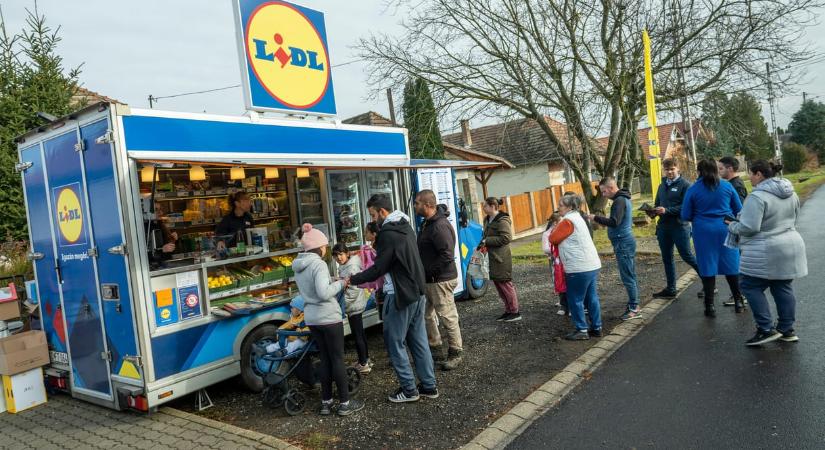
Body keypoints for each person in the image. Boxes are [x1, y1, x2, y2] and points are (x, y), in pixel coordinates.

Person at [349, 194, 438, 403]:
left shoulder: (388, 234)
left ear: (382, 212)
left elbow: (379, 268)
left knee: (394, 342)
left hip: (398, 294)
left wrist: (351, 279)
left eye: (373, 214)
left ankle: (409, 390)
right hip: (417, 291)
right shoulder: (406, 226)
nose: (373, 220)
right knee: (419, 341)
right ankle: (429, 385)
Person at [726, 160, 807, 346]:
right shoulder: (791, 192)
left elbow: (750, 227)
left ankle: (765, 328)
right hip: (791, 244)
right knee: (782, 286)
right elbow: (795, 217)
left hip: (766, 248)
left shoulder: (757, 197)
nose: (750, 178)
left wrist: (733, 225)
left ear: (759, 174)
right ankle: (787, 330)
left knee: (749, 286)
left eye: (751, 174)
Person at [292, 224, 365, 416]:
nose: (326, 250)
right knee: (337, 359)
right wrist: (341, 283)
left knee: (324, 359)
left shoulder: (298, 265)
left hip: (312, 317)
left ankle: (326, 402)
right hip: (328, 317)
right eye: (324, 246)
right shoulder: (318, 264)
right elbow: (324, 293)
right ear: (319, 247)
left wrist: (331, 282)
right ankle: (345, 403)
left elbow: (314, 289)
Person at [681, 159, 745, 317]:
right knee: (731, 265)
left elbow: (685, 214)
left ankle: (709, 306)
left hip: (703, 232)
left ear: (699, 171)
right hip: (725, 228)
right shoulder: (726, 186)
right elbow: (739, 209)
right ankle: (739, 301)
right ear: (716, 170)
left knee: (707, 266)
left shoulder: (693, 189)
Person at [414, 190, 464, 371]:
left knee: (447, 316)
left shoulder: (439, 226)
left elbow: (447, 255)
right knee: (427, 315)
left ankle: (456, 352)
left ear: (427, 205)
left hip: (440, 280)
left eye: (417, 203)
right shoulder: (428, 223)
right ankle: (435, 350)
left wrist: (431, 272)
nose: (415, 206)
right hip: (430, 280)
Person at [550, 193, 603, 340]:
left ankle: (582, 329)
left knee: (575, 298)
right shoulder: (578, 217)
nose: (558, 208)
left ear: (568, 207)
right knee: (591, 297)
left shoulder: (568, 221)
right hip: (591, 264)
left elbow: (552, 238)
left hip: (578, 266)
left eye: (560, 205)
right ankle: (597, 326)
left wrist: (554, 229)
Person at [588, 178, 641, 321]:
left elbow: (614, 222)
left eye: (604, 191)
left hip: (623, 242)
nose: (603, 195)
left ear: (611, 188)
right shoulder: (622, 199)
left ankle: (634, 308)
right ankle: (634, 303)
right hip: (623, 241)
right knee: (630, 274)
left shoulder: (619, 201)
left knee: (628, 276)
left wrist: (596, 218)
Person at [647, 158, 700, 298]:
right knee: (667, 258)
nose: (669, 172)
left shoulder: (686, 185)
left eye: (672, 169)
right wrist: (652, 212)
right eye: (667, 169)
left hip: (680, 227)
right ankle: (671, 289)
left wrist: (667, 210)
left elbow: (686, 207)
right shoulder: (661, 185)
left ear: (678, 168)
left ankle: (708, 282)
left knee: (687, 255)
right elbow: (658, 203)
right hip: (664, 228)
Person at [331, 243, 372, 374]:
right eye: (336, 255)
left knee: (357, 334)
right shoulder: (346, 265)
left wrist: (342, 303)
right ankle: (365, 359)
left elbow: (353, 289)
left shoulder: (352, 266)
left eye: (341, 254)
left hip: (354, 304)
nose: (338, 257)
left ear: (347, 253)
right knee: (360, 332)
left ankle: (363, 364)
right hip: (355, 304)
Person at [481, 197, 521, 322]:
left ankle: (515, 312)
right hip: (492, 257)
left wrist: (487, 241)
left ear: (493, 206)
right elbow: (486, 235)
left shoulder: (502, 220)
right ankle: (508, 310)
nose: (483, 208)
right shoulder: (487, 219)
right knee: (499, 284)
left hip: (501, 258)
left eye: (485, 206)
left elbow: (506, 238)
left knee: (505, 283)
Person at [542, 213, 568, 316]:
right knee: (559, 282)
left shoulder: (564, 231)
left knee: (568, 281)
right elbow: (545, 248)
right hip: (555, 261)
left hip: (566, 260)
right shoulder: (547, 234)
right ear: (555, 222)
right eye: (560, 221)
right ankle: (563, 305)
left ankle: (570, 305)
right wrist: (556, 247)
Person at [359, 222, 385, 318]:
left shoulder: (379, 247)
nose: (364, 234)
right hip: (378, 285)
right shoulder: (370, 247)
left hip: (382, 284)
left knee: (384, 314)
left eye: (366, 232)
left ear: (374, 234)